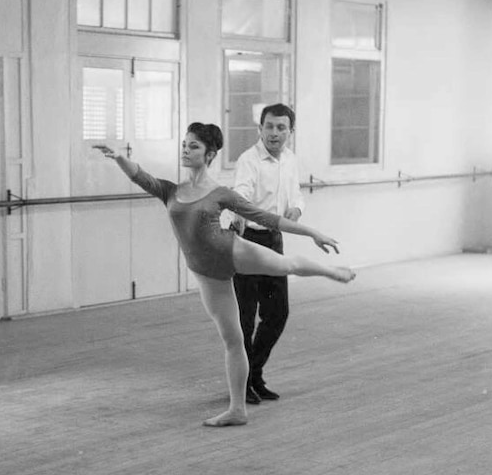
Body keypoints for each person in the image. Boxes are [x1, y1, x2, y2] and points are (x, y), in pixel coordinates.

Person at [94, 123, 354, 427]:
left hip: (231, 251)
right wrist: (117, 158)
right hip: (206, 274)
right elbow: (141, 176)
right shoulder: (171, 191)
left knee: (286, 266)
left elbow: (267, 218)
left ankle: (331, 271)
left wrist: (312, 232)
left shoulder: (220, 193)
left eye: (194, 147)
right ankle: (237, 409)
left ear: (210, 154)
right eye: (185, 144)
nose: (186, 150)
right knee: (234, 340)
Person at [229, 103, 303, 405]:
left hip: (273, 240)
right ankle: (243, 382)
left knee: (277, 313)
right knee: (245, 319)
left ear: (290, 131)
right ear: (260, 129)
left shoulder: (290, 160)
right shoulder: (249, 160)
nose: (275, 133)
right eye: (269, 126)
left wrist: (297, 208)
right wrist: (239, 215)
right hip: (248, 241)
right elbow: (241, 192)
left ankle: (254, 373)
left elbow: (295, 193)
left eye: (281, 127)